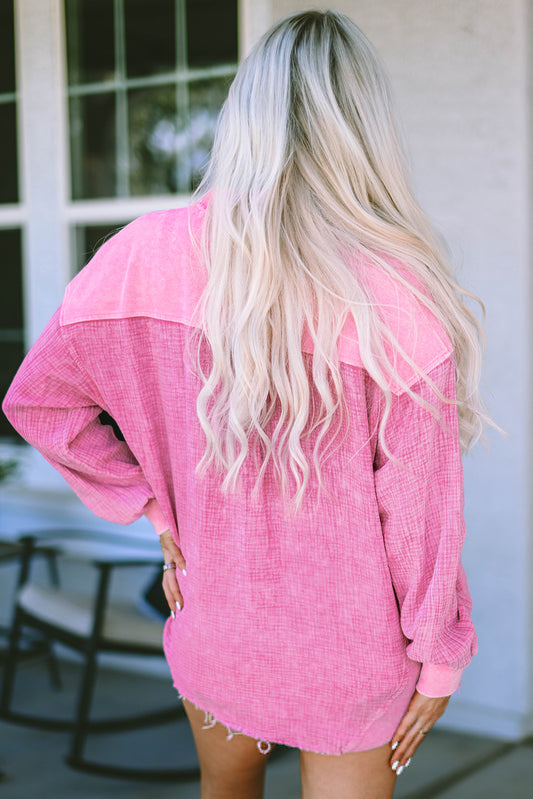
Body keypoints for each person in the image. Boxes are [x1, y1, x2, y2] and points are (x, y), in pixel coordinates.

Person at [2, 10, 491, 799]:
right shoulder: (394, 296)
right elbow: (418, 516)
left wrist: (153, 508)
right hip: (351, 651)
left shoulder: (139, 257)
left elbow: (40, 403)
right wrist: (440, 656)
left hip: (216, 622)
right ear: (362, 129)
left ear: (242, 116)